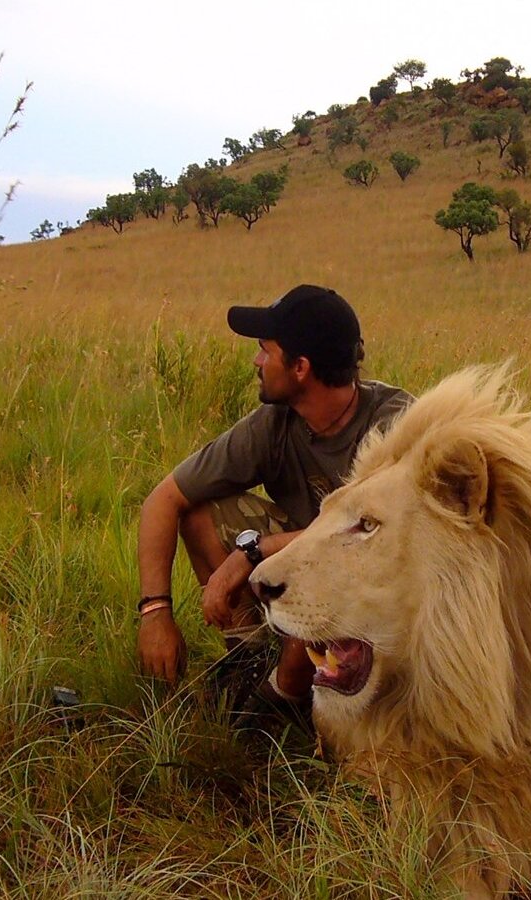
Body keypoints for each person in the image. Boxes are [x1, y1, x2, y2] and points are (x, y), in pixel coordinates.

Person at [133, 285, 413, 719]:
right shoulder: (277, 423)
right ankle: (248, 662)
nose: (256, 361)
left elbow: (371, 543)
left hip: (367, 594)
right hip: (302, 576)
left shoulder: (396, 428)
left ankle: (285, 698)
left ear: (300, 367)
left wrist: (255, 550)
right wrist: (155, 612)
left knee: (319, 574)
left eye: (265, 351)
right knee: (200, 512)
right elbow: (163, 499)